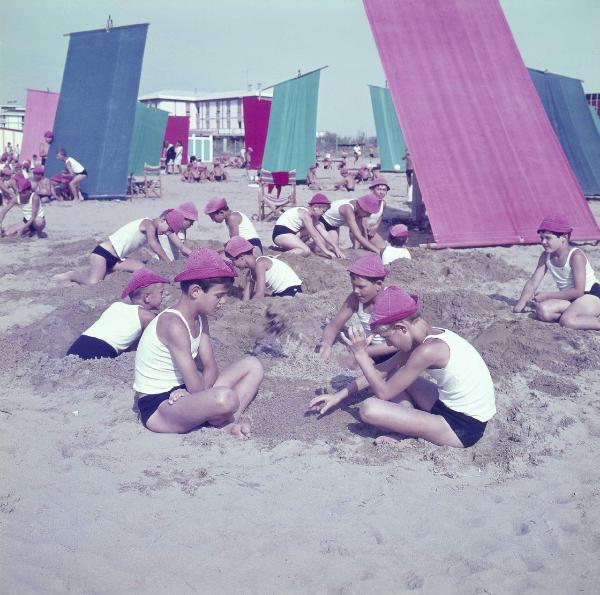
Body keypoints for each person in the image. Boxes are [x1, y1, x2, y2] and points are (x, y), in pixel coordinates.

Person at [309, 286, 496, 448]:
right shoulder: (428, 334)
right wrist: (337, 397)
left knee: (369, 409)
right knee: (393, 373)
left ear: (401, 328)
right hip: (452, 406)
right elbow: (383, 370)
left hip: (462, 428)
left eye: (389, 338)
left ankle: (407, 428)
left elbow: (384, 393)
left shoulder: (428, 351)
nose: (389, 345)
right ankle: (409, 422)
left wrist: (360, 354)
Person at [133, 248, 264, 437]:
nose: (224, 301)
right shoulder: (173, 324)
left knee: (254, 365)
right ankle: (223, 421)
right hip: (160, 406)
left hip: (184, 392)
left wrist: (192, 392)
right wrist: (194, 391)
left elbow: (211, 368)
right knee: (226, 398)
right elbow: (197, 382)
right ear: (195, 291)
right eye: (219, 295)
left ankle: (224, 422)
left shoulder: (200, 318)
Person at [513, 214, 600, 330]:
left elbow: (579, 291)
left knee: (567, 321)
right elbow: (533, 283)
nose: (543, 242)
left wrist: (547, 295)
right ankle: (579, 317)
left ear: (564, 238)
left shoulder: (575, 256)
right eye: (541, 238)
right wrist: (519, 306)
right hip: (570, 299)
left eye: (548, 238)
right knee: (542, 311)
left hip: (589, 296)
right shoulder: (546, 256)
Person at [52, 209, 185, 285]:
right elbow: (153, 245)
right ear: (162, 220)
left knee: (141, 268)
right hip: (102, 254)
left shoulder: (156, 228)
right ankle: (72, 275)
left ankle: (107, 272)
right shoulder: (148, 223)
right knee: (93, 283)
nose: (166, 233)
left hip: (117, 259)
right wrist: (168, 263)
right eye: (168, 229)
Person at [67, 269, 169, 360]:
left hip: (77, 347)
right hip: (101, 351)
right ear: (147, 297)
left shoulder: (116, 306)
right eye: (161, 292)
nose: (164, 295)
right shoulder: (147, 317)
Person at [318, 254, 397, 364]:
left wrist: (363, 352)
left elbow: (400, 343)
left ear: (378, 284)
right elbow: (334, 325)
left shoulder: (392, 301)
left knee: (352, 359)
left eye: (361, 287)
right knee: (348, 362)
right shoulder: (355, 298)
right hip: (372, 349)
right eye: (353, 285)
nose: (355, 290)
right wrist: (326, 344)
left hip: (396, 352)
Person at [225, 236, 303, 299]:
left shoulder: (260, 263)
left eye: (232, 260)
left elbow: (259, 295)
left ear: (241, 256)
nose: (233, 264)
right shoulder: (250, 273)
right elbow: (246, 298)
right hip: (279, 293)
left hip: (293, 290)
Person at [272, 193, 344, 258]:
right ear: (315, 207)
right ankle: (278, 257)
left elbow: (323, 232)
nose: (323, 214)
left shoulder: (311, 215)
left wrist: (336, 247)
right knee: (305, 251)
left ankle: (288, 249)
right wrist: (326, 251)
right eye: (323, 211)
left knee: (317, 228)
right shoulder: (305, 214)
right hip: (281, 234)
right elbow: (314, 236)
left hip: (290, 234)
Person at [320, 194, 385, 255]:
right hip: (322, 221)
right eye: (368, 213)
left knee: (333, 249)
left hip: (334, 226)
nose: (369, 215)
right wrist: (378, 251)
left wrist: (357, 250)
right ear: (361, 208)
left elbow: (359, 231)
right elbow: (357, 236)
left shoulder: (359, 207)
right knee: (320, 249)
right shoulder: (348, 209)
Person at [0, 166, 18, 235]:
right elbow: (5, 189)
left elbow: (15, 189)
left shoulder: (6, 181)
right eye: (9, 176)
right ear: (5, 175)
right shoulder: (1, 180)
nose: (10, 177)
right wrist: (14, 195)